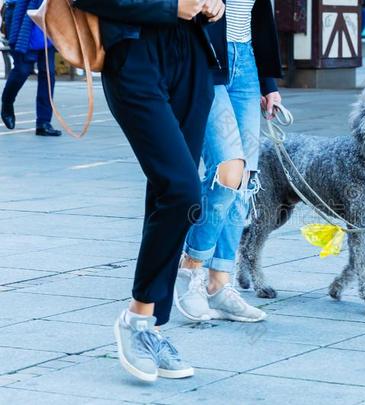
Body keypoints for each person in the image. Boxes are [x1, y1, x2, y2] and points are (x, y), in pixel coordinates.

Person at [72, 0, 225, 382]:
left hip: (191, 56)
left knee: (167, 194)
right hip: (135, 56)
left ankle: (152, 327)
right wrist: (171, 6)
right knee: (183, 191)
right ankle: (137, 318)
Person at [175, 0, 282, 323]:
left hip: (246, 63)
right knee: (227, 170)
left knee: (245, 179)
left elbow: (259, 13)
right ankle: (192, 266)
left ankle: (219, 283)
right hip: (205, 61)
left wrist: (269, 84)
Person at [1, 0, 61, 136]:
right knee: (22, 69)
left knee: (48, 73)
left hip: (48, 14)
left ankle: (43, 122)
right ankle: (7, 102)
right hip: (21, 13)